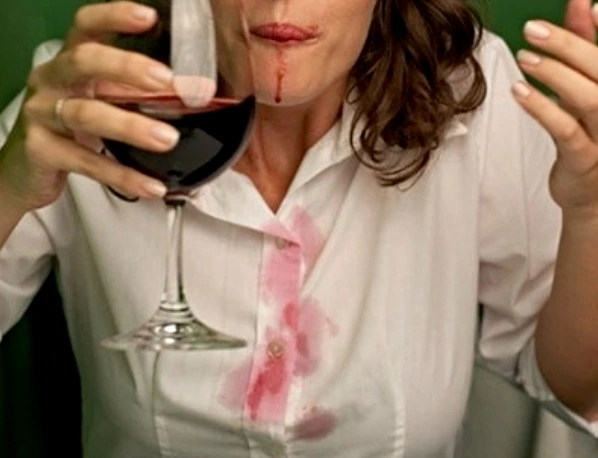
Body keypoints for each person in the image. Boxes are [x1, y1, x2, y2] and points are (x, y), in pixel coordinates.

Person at [1, 0, 598, 457]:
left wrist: (591, 214)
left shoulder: (472, 89)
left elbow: (575, 386)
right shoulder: (81, 97)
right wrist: (9, 188)